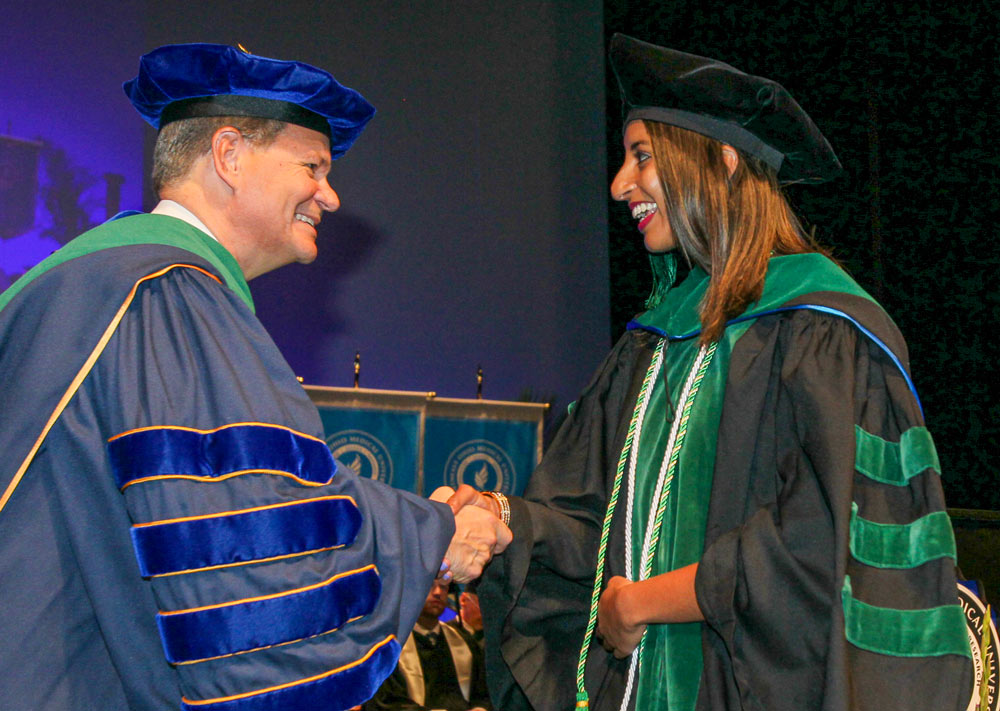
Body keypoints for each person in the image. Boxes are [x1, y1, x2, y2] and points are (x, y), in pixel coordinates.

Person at [452, 34, 973, 711]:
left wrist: (643, 601)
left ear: (723, 161)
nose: (618, 186)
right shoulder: (654, 344)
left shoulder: (822, 330)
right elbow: (591, 521)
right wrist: (501, 520)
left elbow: (822, 539)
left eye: (642, 156)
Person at [0, 43, 509, 711]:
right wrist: (438, 531)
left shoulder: (75, 284)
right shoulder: (167, 297)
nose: (329, 194)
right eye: (313, 167)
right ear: (230, 155)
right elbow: (246, 547)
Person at [365, 580, 493, 711]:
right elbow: (386, 703)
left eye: (443, 587)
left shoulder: (464, 642)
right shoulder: (388, 647)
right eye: (429, 585)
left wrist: (480, 708)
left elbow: (483, 694)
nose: (438, 593)